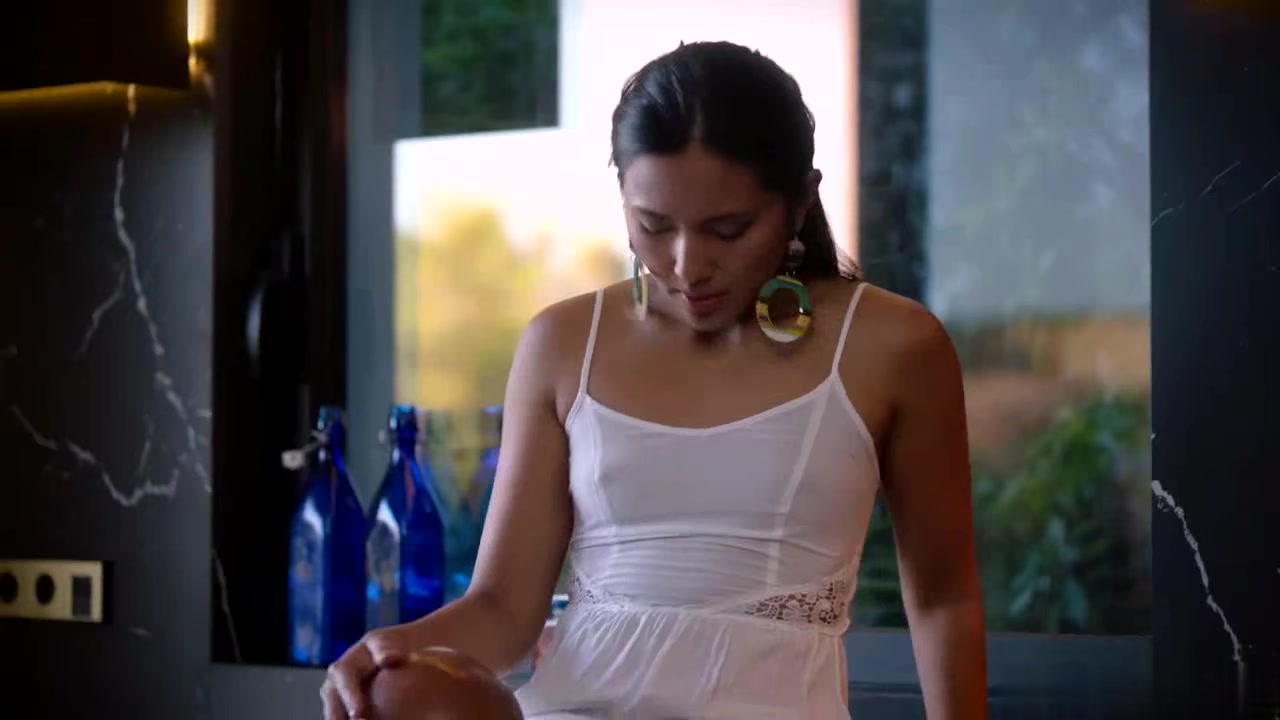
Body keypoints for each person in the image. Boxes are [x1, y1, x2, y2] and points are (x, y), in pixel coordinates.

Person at [324, 41, 987, 720]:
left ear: (798, 203)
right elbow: (503, 608)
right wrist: (384, 653)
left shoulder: (893, 346)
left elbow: (944, 600)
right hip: (575, 708)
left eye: (728, 230)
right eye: (654, 225)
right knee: (389, 689)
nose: (687, 265)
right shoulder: (562, 343)